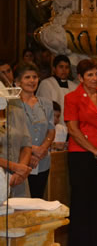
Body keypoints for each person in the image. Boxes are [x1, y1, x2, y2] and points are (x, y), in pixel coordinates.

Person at [64, 59, 97, 246]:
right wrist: (94, 150)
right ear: (80, 77)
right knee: (81, 201)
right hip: (81, 155)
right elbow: (73, 129)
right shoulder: (72, 98)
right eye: (90, 75)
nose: (95, 78)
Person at [15, 63, 55, 199]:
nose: (32, 81)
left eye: (35, 77)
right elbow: (12, 134)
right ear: (18, 82)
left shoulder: (46, 103)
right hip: (20, 160)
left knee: (37, 199)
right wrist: (31, 150)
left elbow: (51, 129)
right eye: (27, 77)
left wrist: (42, 149)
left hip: (42, 160)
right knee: (21, 201)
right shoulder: (12, 104)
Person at [0, 95, 32, 197]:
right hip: (3, 176)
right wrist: (15, 167)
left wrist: (20, 172)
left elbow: (26, 145)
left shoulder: (17, 111)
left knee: (22, 212)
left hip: (19, 178)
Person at [37, 55, 77, 125]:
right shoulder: (46, 84)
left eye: (67, 67)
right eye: (61, 67)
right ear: (54, 68)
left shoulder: (74, 86)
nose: (64, 70)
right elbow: (44, 109)